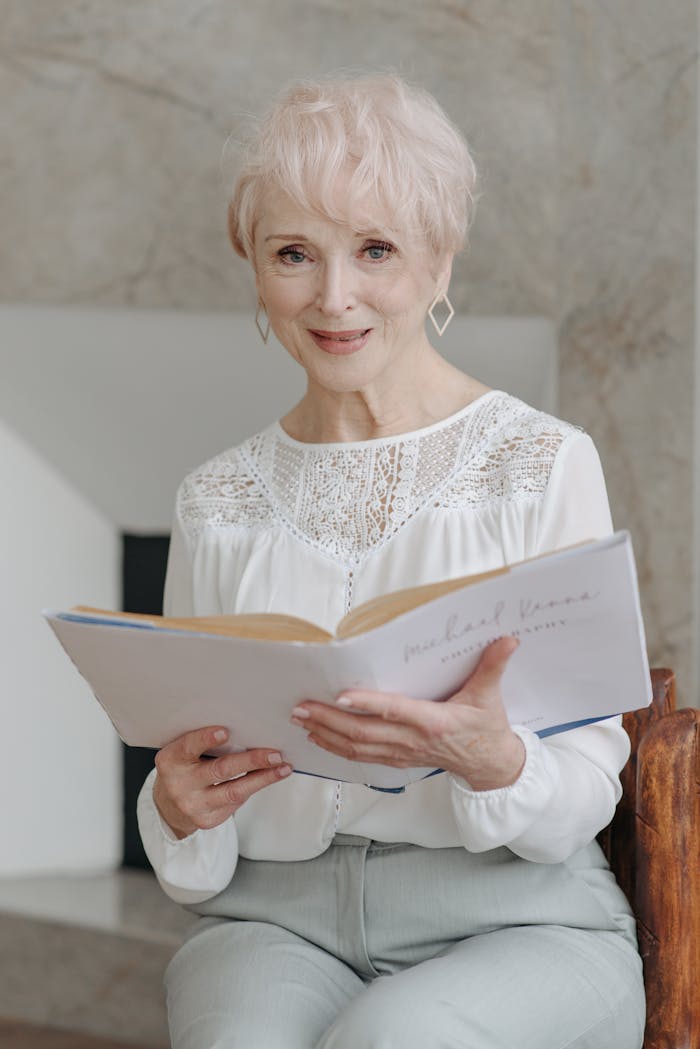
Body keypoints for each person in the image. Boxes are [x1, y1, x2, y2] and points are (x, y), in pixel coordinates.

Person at [137, 73, 646, 1049]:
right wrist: (176, 804)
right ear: (254, 265)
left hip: (522, 918)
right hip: (271, 918)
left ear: (441, 260)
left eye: (376, 249)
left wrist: (499, 761)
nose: (334, 296)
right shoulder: (216, 498)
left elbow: (591, 774)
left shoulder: (541, 462)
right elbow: (189, 769)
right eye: (295, 253)